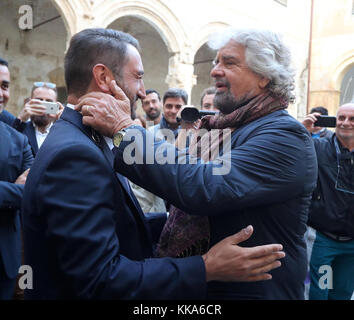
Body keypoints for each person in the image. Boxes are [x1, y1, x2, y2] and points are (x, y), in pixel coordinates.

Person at [22, 28, 285, 300]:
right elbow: (100, 280)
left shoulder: (87, 138)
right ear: (103, 77)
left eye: (229, 63)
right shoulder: (76, 154)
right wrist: (204, 267)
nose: (143, 90)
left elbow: (116, 225)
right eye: (138, 76)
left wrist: (181, 224)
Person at [78, 28, 318, 300]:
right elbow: (204, 214)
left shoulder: (285, 137)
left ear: (264, 76)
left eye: (228, 62)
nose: (215, 70)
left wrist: (124, 130)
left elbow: (204, 185)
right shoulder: (227, 128)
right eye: (216, 62)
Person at [302, 104, 354, 300]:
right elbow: (285, 154)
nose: (345, 123)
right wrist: (302, 130)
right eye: (341, 118)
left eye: (352, 119)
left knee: (342, 293)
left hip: (351, 244)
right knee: (317, 293)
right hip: (323, 240)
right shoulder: (317, 147)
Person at [0, 57, 33, 299]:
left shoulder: (18, 140)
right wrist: (13, 189)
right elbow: (21, 190)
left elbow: (33, 190)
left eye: (4, 85)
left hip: (5, 258)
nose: (1, 93)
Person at [11, 82, 64, 156]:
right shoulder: (20, 128)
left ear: (56, 106)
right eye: (39, 101)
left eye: (48, 102)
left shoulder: (61, 132)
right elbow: (9, 149)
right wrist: (20, 119)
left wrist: (65, 122)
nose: (43, 107)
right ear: (29, 102)